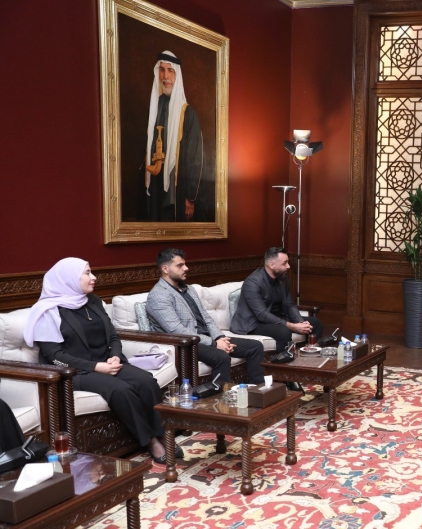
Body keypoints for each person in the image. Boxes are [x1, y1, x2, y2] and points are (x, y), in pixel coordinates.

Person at [22, 258, 175, 464]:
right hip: (75, 372)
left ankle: (163, 434)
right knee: (121, 390)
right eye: (87, 273)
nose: (93, 277)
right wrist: (96, 367)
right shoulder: (47, 311)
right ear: (69, 279)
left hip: (107, 362)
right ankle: (150, 441)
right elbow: (54, 356)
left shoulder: (93, 301)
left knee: (146, 381)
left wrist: (115, 355)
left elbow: (112, 335)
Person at [146, 248, 265, 385]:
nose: (186, 268)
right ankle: (221, 396)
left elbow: (206, 318)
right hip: (186, 344)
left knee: (255, 346)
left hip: (207, 338)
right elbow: (177, 330)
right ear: (165, 269)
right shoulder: (158, 295)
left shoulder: (189, 289)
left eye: (185, 264)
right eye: (180, 265)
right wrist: (214, 343)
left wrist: (219, 337)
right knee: (221, 356)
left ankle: (257, 390)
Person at [141, 51, 213, 222]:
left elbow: (195, 159)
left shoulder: (188, 114)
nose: (165, 76)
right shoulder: (154, 109)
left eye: (170, 71)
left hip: (178, 188)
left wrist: (190, 197)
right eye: (162, 70)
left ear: (177, 75)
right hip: (156, 183)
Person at [231, 247, 323, 354]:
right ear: (271, 264)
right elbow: (261, 314)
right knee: (283, 331)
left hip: (276, 318)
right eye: (284, 263)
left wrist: (300, 322)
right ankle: (283, 361)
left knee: (315, 323)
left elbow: (290, 305)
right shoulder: (252, 283)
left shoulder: (283, 279)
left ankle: (310, 357)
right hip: (253, 323)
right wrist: (291, 325)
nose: (288, 266)